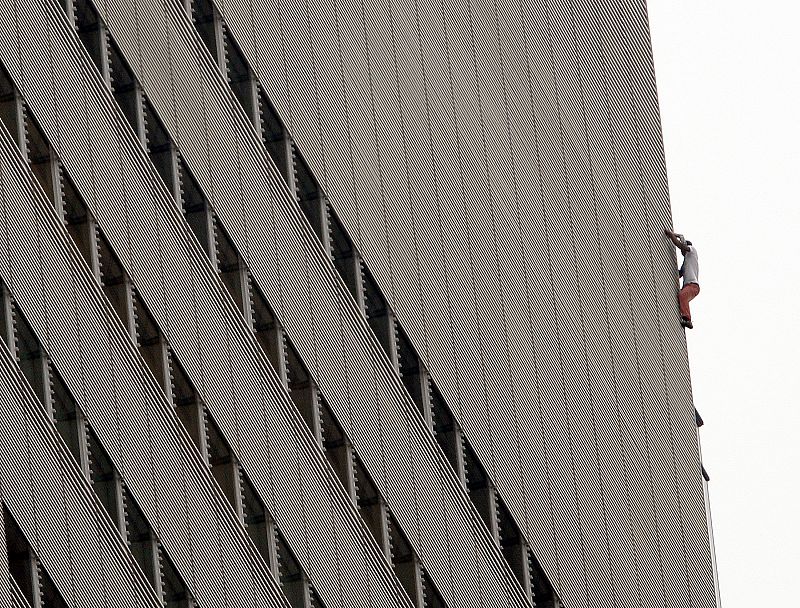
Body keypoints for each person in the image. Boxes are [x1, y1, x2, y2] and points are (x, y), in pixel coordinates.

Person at [665, 228, 699, 329]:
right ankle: (685, 316)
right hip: (688, 286)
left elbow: (681, 245)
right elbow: (679, 274)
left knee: (682, 295)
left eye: (683, 250)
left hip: (693, 286)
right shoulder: (686, 263)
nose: (682, 252)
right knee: (682, 296)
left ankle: (688, 320)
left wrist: (672, 235)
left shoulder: (692, 251)